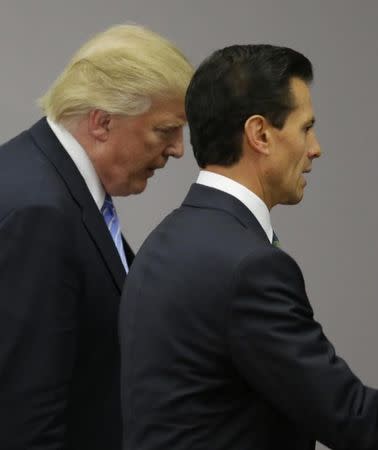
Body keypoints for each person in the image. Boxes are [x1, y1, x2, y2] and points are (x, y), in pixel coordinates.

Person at [119, 44, 378, 450]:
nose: (315, 149)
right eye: (306, 128)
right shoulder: (250, 267)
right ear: (259, 134)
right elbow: (348, 415)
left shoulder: (165, 241)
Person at [0, 24, 192, 450]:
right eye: (165, 130)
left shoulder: (49, 184)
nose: (179, 149)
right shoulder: (40, 214)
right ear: (103, 122)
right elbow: (23, 418)